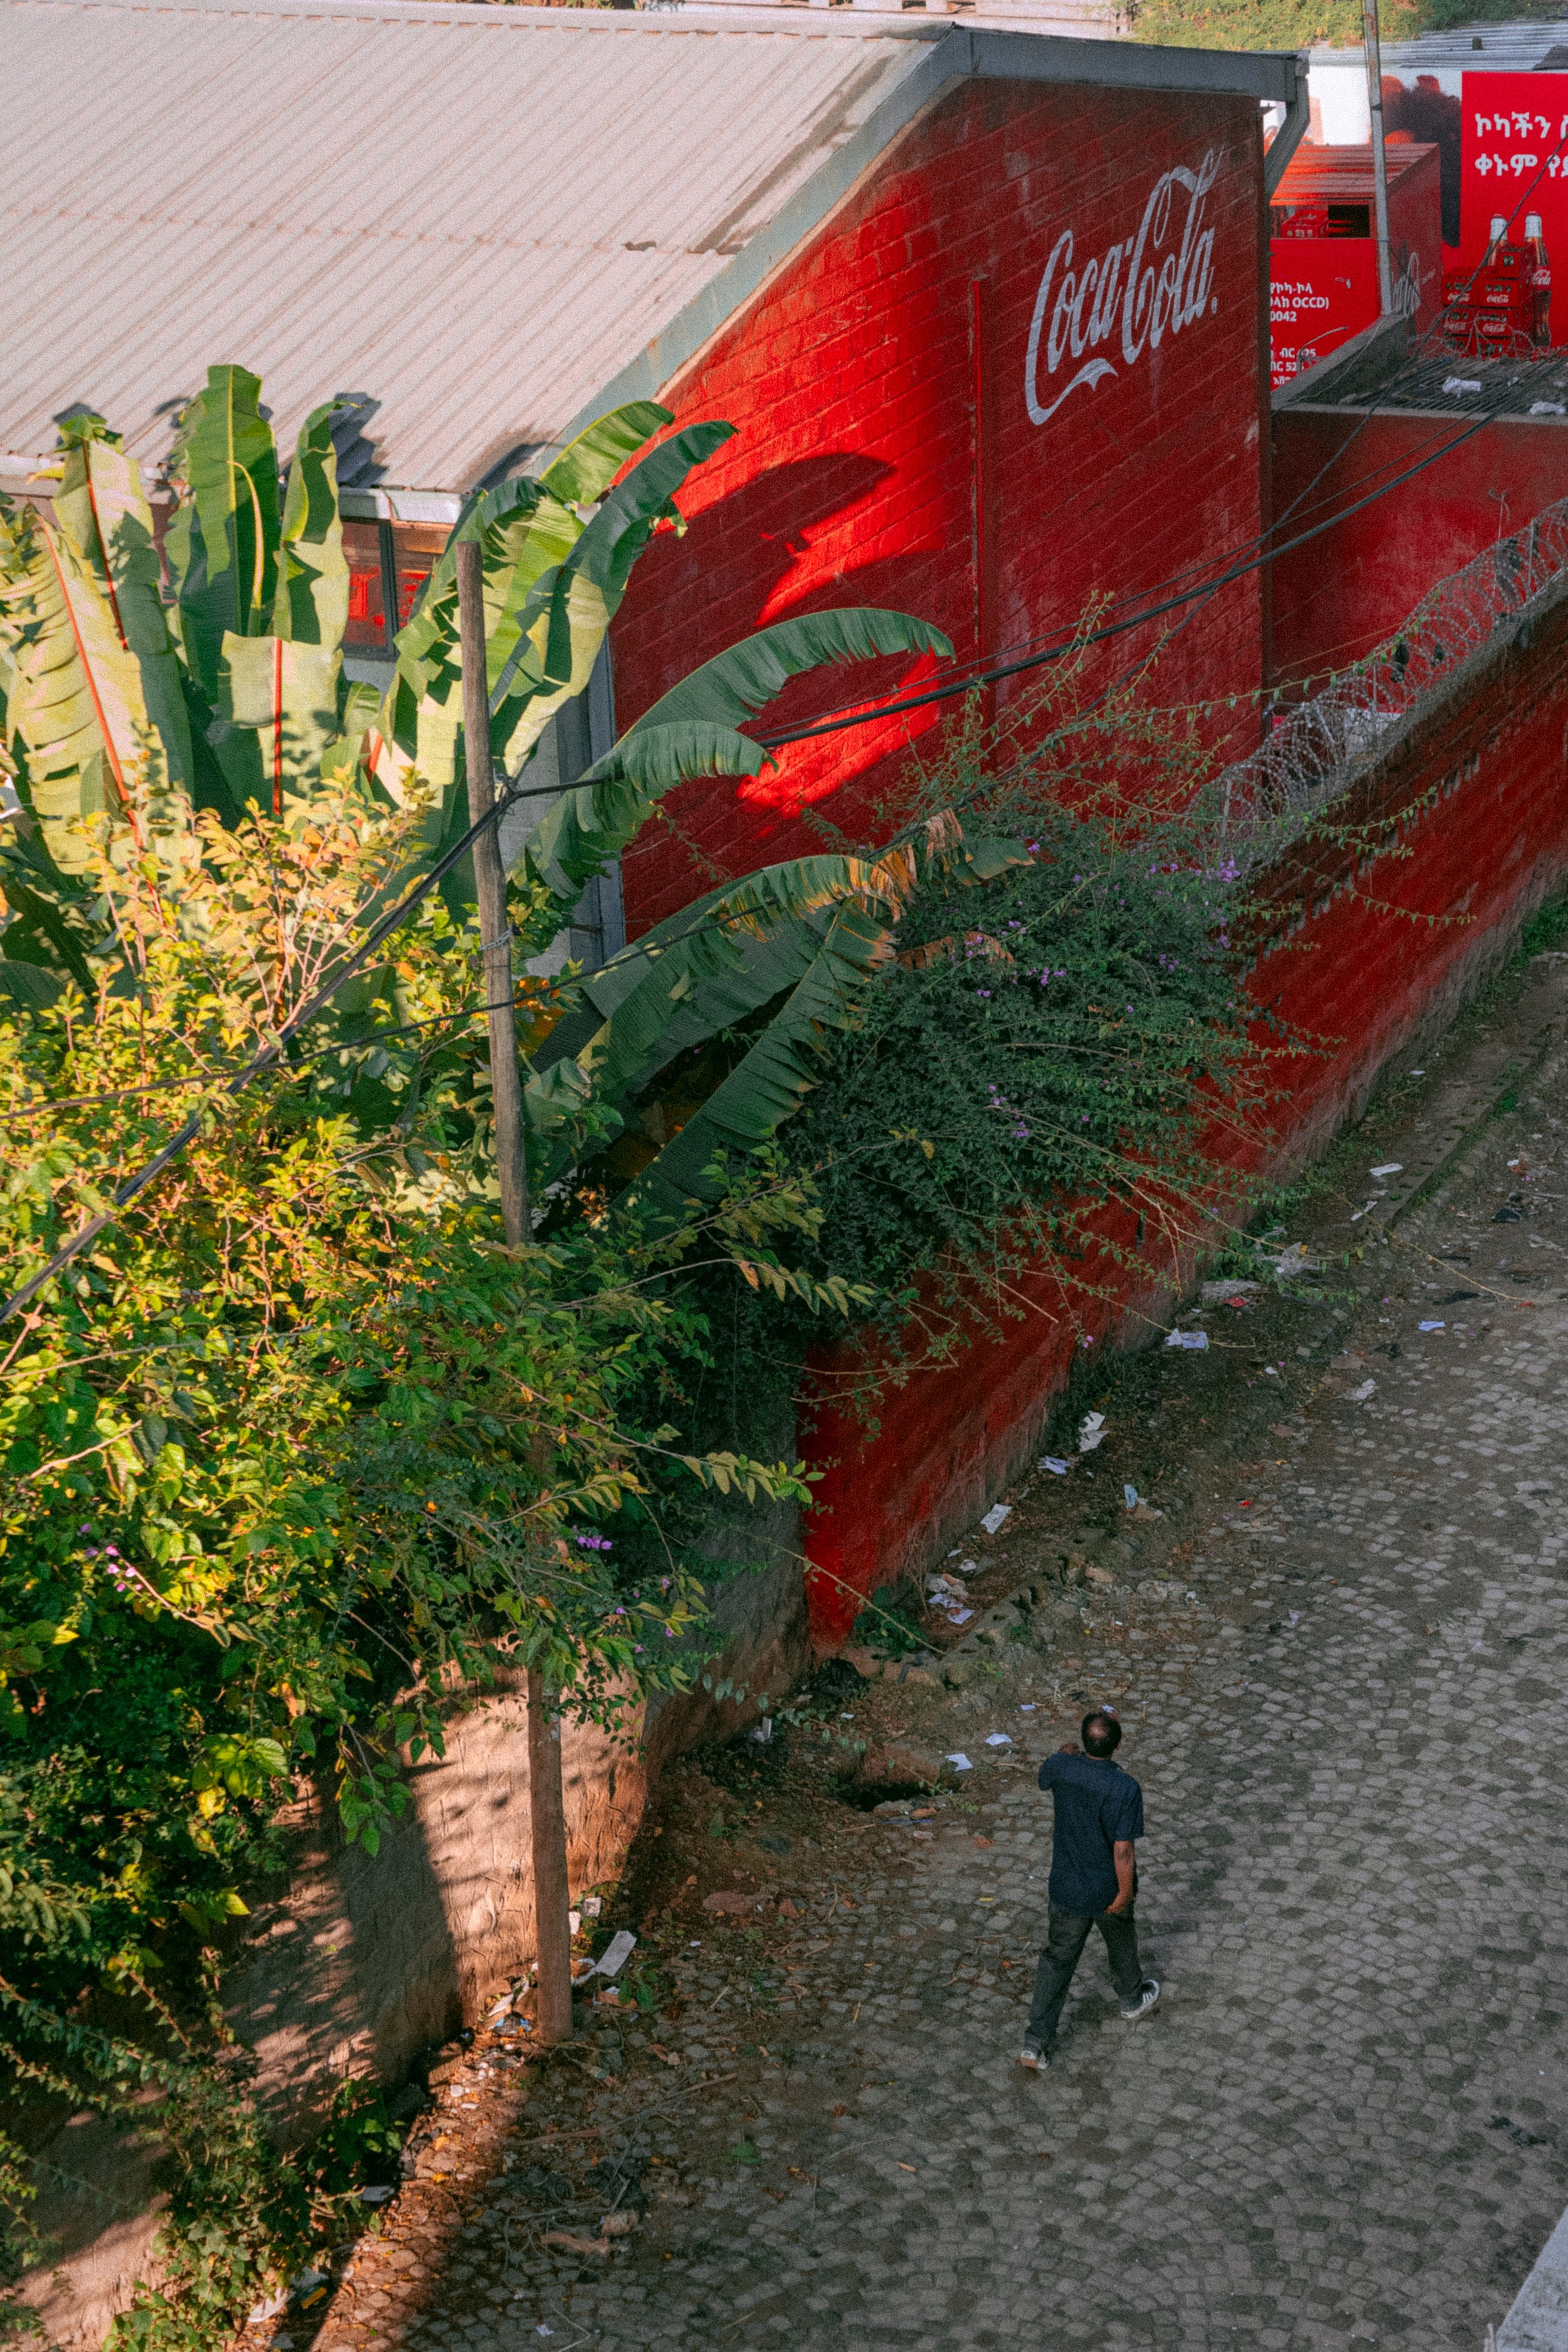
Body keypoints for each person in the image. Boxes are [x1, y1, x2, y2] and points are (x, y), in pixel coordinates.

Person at [1019, 1706, 1159, 2070]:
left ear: (1083, 1742)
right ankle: (1130, 1999)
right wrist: (1125, 1893)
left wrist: (1065, 1754)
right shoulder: (1124, 1787)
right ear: (1119, 1744)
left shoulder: (1062, 1766)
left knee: (1057, 1960)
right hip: (1107, 1888)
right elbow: (1123, 1849)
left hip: (1066, 1886)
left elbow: (1045, 1776)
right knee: (1121, 1941)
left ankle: (1035, 2042)